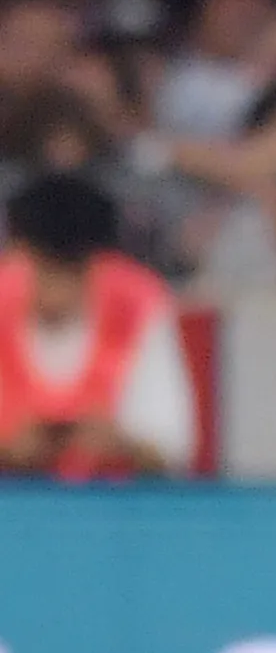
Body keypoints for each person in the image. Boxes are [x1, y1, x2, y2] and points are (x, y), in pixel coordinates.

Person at [0, 172, 195, 478]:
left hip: (115, 512)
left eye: (69, 269)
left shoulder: (138, 304)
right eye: (43, 267)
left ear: (98, 263)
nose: (56, 287)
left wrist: (122, 443)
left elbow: (172, 448)